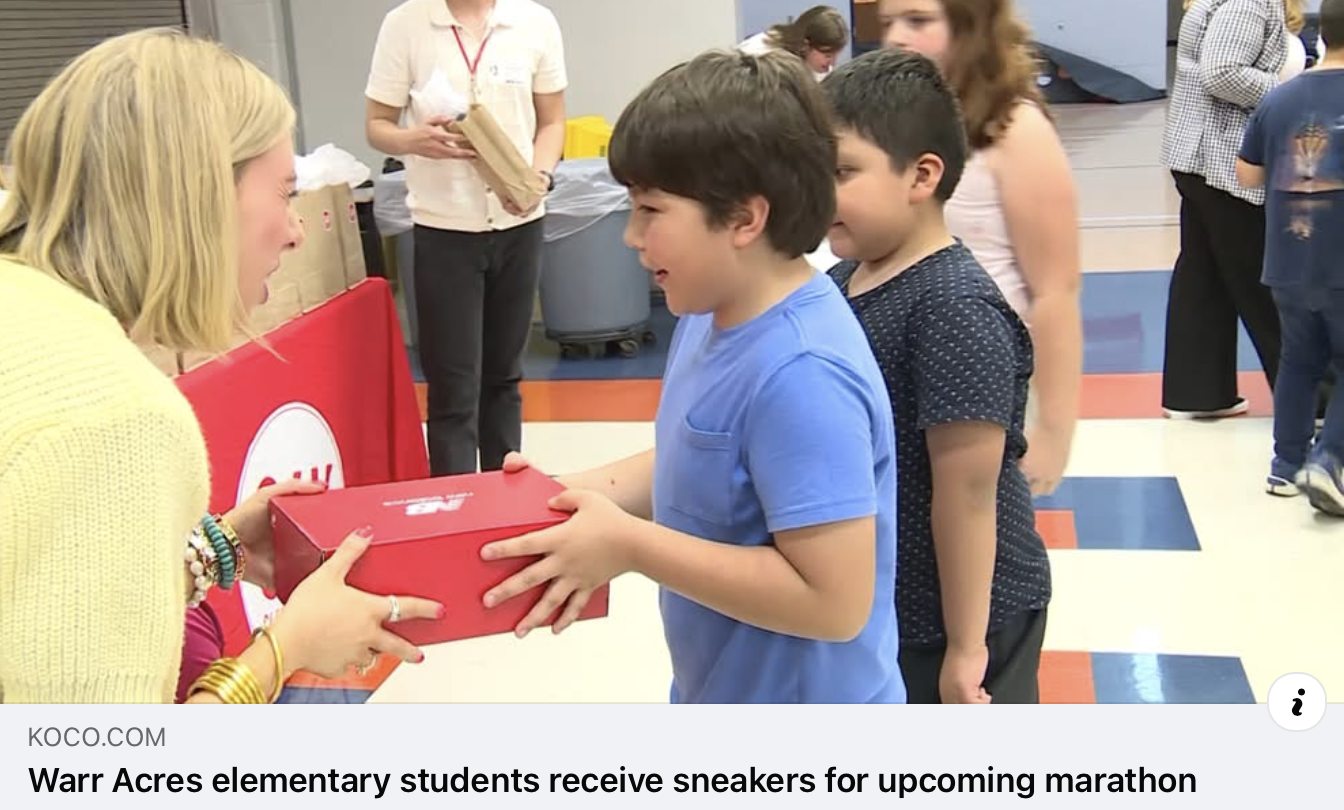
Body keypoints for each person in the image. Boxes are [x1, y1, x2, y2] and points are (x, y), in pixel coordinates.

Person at [0, 29, 442, 704]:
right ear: (197, 200)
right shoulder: (116, 416)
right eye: (284, 194)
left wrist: (218, 546)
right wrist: (285, 648)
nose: (296, 231)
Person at [480, 50, 903, 704]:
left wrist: (631, 547)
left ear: (743, 218)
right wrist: (561, 496)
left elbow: (835, 603)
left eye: (650, 210)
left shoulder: (803, 372)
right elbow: (703, 457)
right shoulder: (710, 311)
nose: (630, 235)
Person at [822, 49, 1051, 703]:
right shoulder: (845, 281)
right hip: (893, 603)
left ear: (921, 176)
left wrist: (966, 647)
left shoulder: (953, 306)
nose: (819, 191)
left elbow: (967, 495)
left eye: (842, 171)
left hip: (969, 612)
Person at [879, 0, 1081, 496]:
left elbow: (1056, 290)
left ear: (970, 28)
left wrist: (1053, 433)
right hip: (906, 382)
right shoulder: (903, 126)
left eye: (918, 21)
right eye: (888, 24)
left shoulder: (1017, 130)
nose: (897, 37)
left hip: (985, 388)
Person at [366, 0, 567, 476]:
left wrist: (538, 176)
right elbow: (377, 125)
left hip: (520, 221)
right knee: (453, 388)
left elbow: (553, 121)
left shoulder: (534, 22)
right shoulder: (406, 24)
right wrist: (411, 140)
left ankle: (504, 498)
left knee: (505, 378)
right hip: (444, 229)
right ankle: (455, 505)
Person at [1159, 0, 1289, 419]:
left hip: (1196, 157)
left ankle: (1196, 393)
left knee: (1204, 278)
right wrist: (1290, 90)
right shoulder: (1249, 1)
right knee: (1265, 279)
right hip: (1223, 159)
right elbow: (1223, 72)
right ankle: (1311, 399)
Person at [1238, 0, 1344, 512]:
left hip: (1287, 260)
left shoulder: (1278, 100)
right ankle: (1329, 460)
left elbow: (1248, 174)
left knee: (1299, 362)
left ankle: (1285, 467)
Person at [738, 5, 849, 80]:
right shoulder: (757, 51)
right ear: (805, 45)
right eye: (828, 55)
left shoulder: (822, 72)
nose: (833, 63)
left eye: (836, 55)